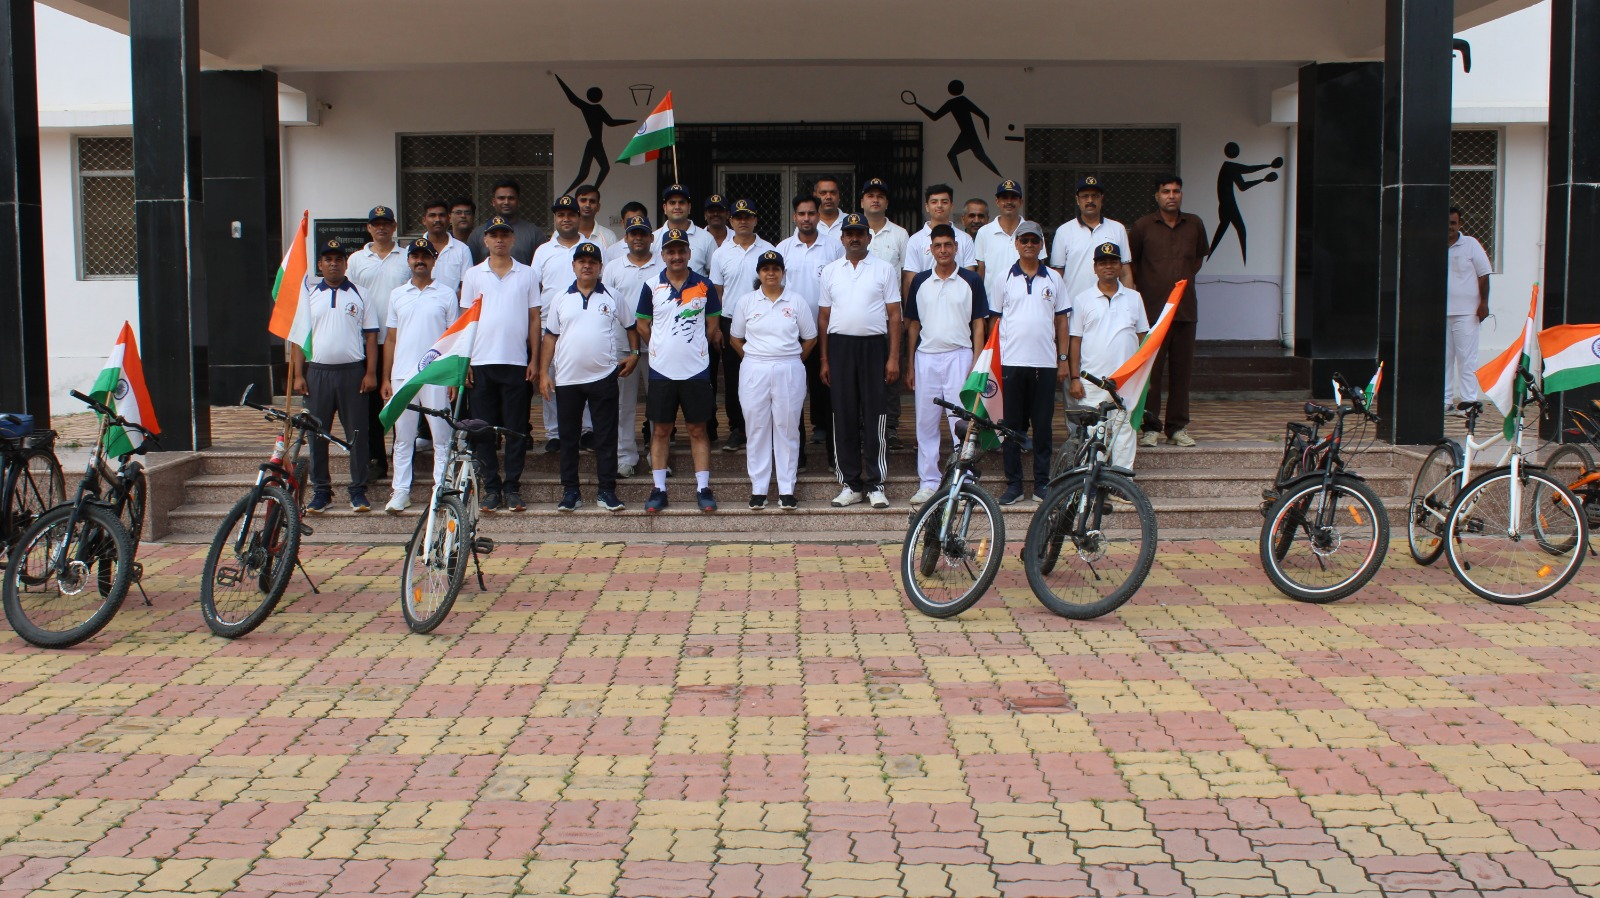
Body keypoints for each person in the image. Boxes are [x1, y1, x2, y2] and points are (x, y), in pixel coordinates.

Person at [541, 242, 638, 512]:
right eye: (581, 261)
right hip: (567, 379)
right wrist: (543, 373)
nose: (587, 266)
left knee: (606, 437)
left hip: (604, 376)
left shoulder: (613, 296)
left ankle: (606, 491)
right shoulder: (560, 297)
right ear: (573, 266)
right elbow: (550, 337)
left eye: (592, 262)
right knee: (569, 438)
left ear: (600, 267)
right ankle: (571, 491)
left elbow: (631, 327)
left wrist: (634, 354)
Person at [290, 238, 379, 514]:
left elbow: (371, 336)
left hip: (353, 373)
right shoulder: (307, 295)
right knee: (317, 434)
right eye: (328, 259)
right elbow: (297, 339)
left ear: (345, 264)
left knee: (357, 433)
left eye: (338, 259)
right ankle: (321, 491)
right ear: (320, 264)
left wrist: (371, 373)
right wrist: (297, 375)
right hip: (318, 373)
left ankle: (358, 490)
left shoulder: (361, 294)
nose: (333, 264)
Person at [636, 228, 722, 513]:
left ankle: (703, 488)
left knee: (698, 429)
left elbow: (712, 325)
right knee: (660, 430)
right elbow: (642, 324)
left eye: (681, 250)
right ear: (662, 255)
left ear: (689, 253)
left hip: (696, 370)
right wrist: (659, 346)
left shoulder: (705, 286)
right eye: (670, 251)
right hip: (661, 370)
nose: (676, 256)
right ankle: (659, 489)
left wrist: (692, 348)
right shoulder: (651, 286)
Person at [819, 213, 901, 509]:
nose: (854, 238)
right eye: (849, 233)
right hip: (840, 347)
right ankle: (850, 483)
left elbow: (894, 316)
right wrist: (825, 358)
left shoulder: (883, 269)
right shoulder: (830, 271)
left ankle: (876, 483)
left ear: (869, 237)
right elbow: (824, 317)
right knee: (844, 415)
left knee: (875, 415)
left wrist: (893, 357)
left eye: (860, 233)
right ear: (842, 238)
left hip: (873, 348)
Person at [461, 215, 541, 512]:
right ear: (485, 240)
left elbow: (535, 318)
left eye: (504, 235)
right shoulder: (473, 275)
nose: (499, 240)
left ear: (512, 239)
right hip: (481, 361)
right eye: (493, 235)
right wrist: (465, 361)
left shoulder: (528, 274)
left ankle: (513, 487)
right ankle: (491, 488)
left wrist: (533, 358)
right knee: (482, 430)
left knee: (516, 429)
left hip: (516, 361)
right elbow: (466, 321)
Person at [904, 225, 988, 505]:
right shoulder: (920, 281)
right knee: (925, 423)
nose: (943, 250)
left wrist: (976, 363)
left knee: (961, 421)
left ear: (956, 248)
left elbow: (978, 323)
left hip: (960, 355)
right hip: (926, 356)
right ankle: (928, 481)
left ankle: (962, 480)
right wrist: (910, 364)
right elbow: (913, 324)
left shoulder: (971, 280)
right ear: (931, 248)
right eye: (937, 245)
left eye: (948, 245)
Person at [730, 250, 817, 511]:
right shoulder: (747, 302)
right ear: (758, 273)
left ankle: (787, 489)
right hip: (755, 368)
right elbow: (736, 337)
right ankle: (759, 488)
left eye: (775, 268)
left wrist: (794, 360)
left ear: (783, 273)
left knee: (787, 427)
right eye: (766, 268)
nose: (771, 273)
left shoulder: (796, 301)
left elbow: (810, 337)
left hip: (789, 367)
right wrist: (752, 356)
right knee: (756, 427)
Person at [991, 221, 1070, 505]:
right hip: (1012, 363)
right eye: (1023, 240)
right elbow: (995, 321)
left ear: (1041, 245)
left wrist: (1063, 359)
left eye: (1034, 241)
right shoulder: (1003, 278)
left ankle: (1041, 483)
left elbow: (1062, 320)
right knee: (1011, 426)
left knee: (1043, 426)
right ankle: (1014, 484)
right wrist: (995, 361)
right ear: (1016, 244)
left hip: (1045, 365)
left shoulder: (1054, 279)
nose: (1028, 245)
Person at [1128, 175, 1209, 448]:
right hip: (1153, 313)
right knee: (1152, 372)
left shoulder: (1194, 224)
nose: (1171, 195)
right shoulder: (1142, 226)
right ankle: (1150, 427)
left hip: (1185, 310)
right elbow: (1133, 264)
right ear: (1157, 196)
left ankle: (1177, 428)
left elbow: (1197, 260)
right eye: (1166, 191)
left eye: (1176, 191)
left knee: (1181, 372)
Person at [381, 238, 457, 513]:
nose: (419, 260)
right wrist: (387, 378)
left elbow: (453, 340)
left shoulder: (446, 294)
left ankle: (441, 489)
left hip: (436, 374)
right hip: (403, 374)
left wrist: (453, 379)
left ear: (434, 260)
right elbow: (390, 339)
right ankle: (400, 491)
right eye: (415, 256)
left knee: (441, 436)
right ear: (409, 260)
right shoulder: (397, 294)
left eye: (425, 256)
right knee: (403, 437)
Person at [1067, 242, 1148, 469]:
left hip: (1127, 380)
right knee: (1094, 432)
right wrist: (1075, 377)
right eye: (1103, 263)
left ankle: (1120, 481)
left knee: (1125, 430)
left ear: (1120, 265)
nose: (1108, 267)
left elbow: (1144, 339)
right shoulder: (1083, 299)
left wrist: (1144, 377)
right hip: (1093, 379)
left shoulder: (1134, 298)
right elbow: (1075, 340)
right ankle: (1091, 485)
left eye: (1113, 262)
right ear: (1095, 267)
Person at [346, 205, 410, 480]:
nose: (381, 228)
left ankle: (403, 457)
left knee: (400, 400)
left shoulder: (407, 257)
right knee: (371, 403)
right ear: (369, 228)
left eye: (386, 223)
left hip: (401, 339)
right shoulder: (357, 260)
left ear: (394, 226)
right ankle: (376, 458)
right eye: (376, 224)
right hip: (368, 340)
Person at [777, 194, 844, 455]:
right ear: (794, 216)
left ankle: (830, 452)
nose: (806, 218)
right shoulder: (782, 249)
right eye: (802, 214)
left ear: (819, 215)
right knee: (792, 395)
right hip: (790, 334)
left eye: (811, 213)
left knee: (826, 389)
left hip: (826, 330)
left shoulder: (833, 247)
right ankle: (797, 454)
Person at [709, 198, 775, 453]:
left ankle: (763, 427)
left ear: (756, 220)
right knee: (735, 377)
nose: (743, 221)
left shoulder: (768, 249)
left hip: (761, 321)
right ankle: (738, 428)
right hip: (729, 322)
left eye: (748, 216)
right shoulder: (721, 253)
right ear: (731, 220)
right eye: (738, 217)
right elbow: (716, 293)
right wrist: (714, 328)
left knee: (762, 376)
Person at [602, 215, 662, 479]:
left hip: (658, 345)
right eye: (633, 233)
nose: (638, 238)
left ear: (651, 237)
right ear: (625, 238)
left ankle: (657, 458)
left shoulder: (663, 264)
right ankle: (625, 456)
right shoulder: (613, 267)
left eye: (643, 233)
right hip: (621, 346)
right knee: (623, 405)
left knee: (658, 404)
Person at [532, 194, 592, 454]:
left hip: (586, 323)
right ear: (555, 218)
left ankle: (587, 430)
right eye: (561, 215)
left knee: (589, 377)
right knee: (551, 380)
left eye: (570, 214)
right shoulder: (543, 251)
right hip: (551, 325)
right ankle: (554, 432)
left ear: (579, 217)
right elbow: (534, 289)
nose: (566, 219)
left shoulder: (591, 246)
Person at [862, 178, 913, 451]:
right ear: (862, 202)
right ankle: (864, 425)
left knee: (891, 374)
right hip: (861, 319)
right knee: (863, 375)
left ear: (887, 202)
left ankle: (890, 427)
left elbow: (905, 276)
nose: (875, 200)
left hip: (890, 317)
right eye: (870, 195)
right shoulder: (852, 230)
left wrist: (904, 315)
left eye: (880, 196)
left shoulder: (900, 234)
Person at [1050, 175, 1133, 302]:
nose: (1090, 200)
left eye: (1095, 196)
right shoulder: (1064, 231)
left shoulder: (1117, 229)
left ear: (1102, 199)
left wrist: (1129, 303)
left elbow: (1125, 273)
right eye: (1085, 196)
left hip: (1111, 305)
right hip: (1074, 306)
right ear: (1077, 200)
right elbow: (1057, 275)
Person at [1446, 206, 1492, 412]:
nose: (1449, 227)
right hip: (1441, 313)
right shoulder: (1435, 245)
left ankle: (1468, 403)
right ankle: (1445, 400)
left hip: (1467, 313)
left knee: (1466, 359)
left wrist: (1483, 303)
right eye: (1446, 223)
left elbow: (1484, 275)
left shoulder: (1471, 244)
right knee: (1444, 360)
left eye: (1453, 223)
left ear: (1460, 224)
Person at [975, 179, 1049, 305]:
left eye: (1013, 198)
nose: (1009, 202)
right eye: (1004, 198)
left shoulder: (1033, 230)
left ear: (1021, 202)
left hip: (1027, 303)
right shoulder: (984, 232)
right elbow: (980, 272)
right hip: (993, 304)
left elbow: (1040, 266)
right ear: (997, 202)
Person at [902, 184, 977, 299]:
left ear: (952, 206)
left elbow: (970, 276)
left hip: (959, 302)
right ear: (926, 206)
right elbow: (911, 280)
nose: (939, 206)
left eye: (944, 202)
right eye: (934, 202)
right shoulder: (915, 240)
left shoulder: (965, 239)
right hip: (926, 302)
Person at [467, 179, 547, 265]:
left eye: (511, 198)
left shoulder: (534, 233)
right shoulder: (478, 234)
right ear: (493, 202)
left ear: (518, 201)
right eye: (501, 198)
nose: (506, 202)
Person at [653, 184, 717, 276]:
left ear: (689, 207)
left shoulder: (706, 238)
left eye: (682, 202)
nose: (677, 207)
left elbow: (715, 274)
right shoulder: (654, 238)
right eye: (672, 203)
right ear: (665, 208)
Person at [421, 198, 475, 295]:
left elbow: (467, 287)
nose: (437, 219)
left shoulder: (462, 249)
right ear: (424, 220)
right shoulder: (413, 250)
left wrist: (449, 302)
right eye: (432, 215)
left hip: (452, 308)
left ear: (449, 218)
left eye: (441, 215)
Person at [574, 184, 617, 248]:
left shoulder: (609, 236)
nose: (587, 205)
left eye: (592, 201)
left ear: (598, 207)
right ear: (575, 204)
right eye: (583, 200)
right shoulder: (562, 234)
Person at [814, 176, 845, 242]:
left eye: (833, 193)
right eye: (823, 193)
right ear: (815, 196)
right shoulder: (808, 223)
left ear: (839, 195)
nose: (828, 197)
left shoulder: (849, 221)